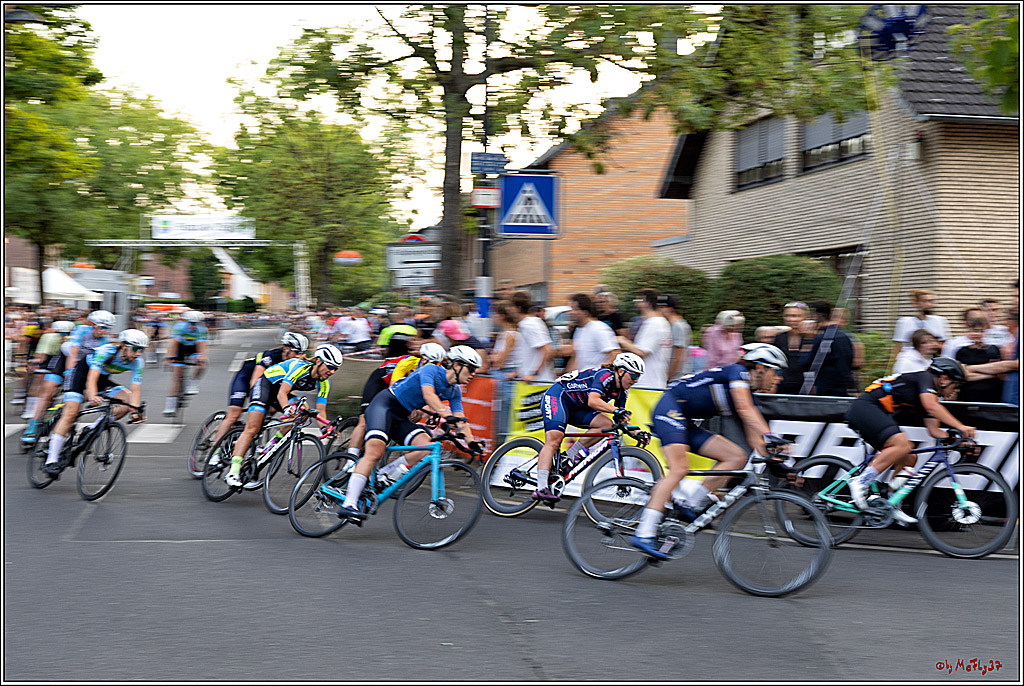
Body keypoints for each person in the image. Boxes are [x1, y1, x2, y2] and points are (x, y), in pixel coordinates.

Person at [631, 343, 789, 559]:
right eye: (777, 371)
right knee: (679, 469)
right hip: (669, 409)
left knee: (736, 457)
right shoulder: (737, 372)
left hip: (686, 421)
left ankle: (691, 504)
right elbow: (744, 410)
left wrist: (780, 463)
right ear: (761, 367)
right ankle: (644, 532)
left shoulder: (749, 394)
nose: (779, 378)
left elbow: (755, 440)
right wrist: (772, 437)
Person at [336, 345, 484, 521]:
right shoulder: (432, 370)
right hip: (384, 406)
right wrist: (446, 414)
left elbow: (461, 420)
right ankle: (349, 504)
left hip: (401, 416)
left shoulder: (454, 391)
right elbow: (428, 395)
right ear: (457, 365)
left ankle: (386, 473)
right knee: (374, 453)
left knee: (427, 446)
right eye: (471, 368)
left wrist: (471, 442)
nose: (473, 374)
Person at [845, 357, 976, 524]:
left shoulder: (929, 396)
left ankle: (891, 505)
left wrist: (958, 440)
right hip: (865, 407)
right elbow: (932, 407)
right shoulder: (924, 378)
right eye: (955, 385)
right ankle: (861, 481)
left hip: (875, 412)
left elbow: (934, 431)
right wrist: (962, 427)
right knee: (901, 444)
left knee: (909, 458)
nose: (956, 391)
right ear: (943, 378)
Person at [217, 343, 343, 488]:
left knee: (304, 412)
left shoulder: (325, 383)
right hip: (266, 385)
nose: (332, 371)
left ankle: (273, 443)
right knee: (252, 428)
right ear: (319, 361)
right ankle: (233, 472)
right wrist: (287, 409)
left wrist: (326, 428)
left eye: (336, 369)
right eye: (330, 367)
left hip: (281, 391)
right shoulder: (300, 367)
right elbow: (282, 393)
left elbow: (321, 411)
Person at [530, 353, 645, 504]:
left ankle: (568, 457)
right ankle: (541, 487)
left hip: (577, 408)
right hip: (558, 397)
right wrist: (615, 410)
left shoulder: (622, 392)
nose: (636, 380)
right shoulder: (605, 375)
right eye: (634, 375)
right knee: (554, 440)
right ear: (621, 371)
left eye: (639, 377)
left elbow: (621, 419)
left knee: (606, 425)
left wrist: (637, 432)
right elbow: (593, 400)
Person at [44, 329, 149, 474]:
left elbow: (135, 389)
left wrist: (135, 411)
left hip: (102, 380)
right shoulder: (106, 351)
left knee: (127, 401)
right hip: (81, 375)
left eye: (142, 350)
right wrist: (92, 395)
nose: (139, 353)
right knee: (71, 414)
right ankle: (51, 460)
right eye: (136, 349)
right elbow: (92, 377)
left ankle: (92, 429)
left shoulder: (138, 362)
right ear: (124, 345)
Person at [206, 331, 311, 451]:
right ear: (286, 348)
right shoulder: (270, 356)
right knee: (234, 413)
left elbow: (288, 388)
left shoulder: (297, 365)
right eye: (296, 352)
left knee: (294, 410)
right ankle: (215, 452)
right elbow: (255, 382)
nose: (299, 356)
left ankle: (268, 441)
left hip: (269, 385)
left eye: (302, 353)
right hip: (246, 379)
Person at [343, 339, 445, 462]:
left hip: (399, 390)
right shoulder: (407, 362)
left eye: (437, 364)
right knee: (364, 420)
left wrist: (429, 414)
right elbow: (393, 388)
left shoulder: (433, 373)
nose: (434, 367)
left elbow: (427, 393)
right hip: (381, 382)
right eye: (431, 363)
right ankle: (350, 460)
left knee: (412, 416)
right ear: (423, 359)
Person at [21, 321, 76, 443]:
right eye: (61, 334)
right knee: (46, 393)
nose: (63, 337)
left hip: (75, 364)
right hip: (58, 363)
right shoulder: (50, 337)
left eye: (67, 334)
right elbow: (42, 356)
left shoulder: (77, 339)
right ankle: (32, 426)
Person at [616, 289, 672, 389]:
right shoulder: (660, 322)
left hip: (647, 383)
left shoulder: (654, 324)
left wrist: (622, 340)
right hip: (653, 382)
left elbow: (641, 351)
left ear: (647, 303)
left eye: (639, 299)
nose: (636, 302)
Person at [799, 301, 855, 396]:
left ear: (817, 316)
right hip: (843, 385)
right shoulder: (844, 336)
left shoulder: (820, 338)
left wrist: (807, 340)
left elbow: (805, 363)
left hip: (824, 387)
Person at [164, 310, 209, 416]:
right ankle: (170, 406)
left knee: (203, 365)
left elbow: (202, 347)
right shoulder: (179, 327)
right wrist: (169, 358)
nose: (192, 326)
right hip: (180, 348)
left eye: (195, 324)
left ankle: (193, 383)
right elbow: (173, 344)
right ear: (186, 321)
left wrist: (201, 359)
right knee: (176, 377)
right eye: (190, 323)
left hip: (194, 349)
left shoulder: (202, 329)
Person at [562, 293, 619, 372]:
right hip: (583, 382)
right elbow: (576, 359)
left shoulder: (599, 329)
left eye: (574, 309)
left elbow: (615, 355)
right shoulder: (579, 330)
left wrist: (601, 376)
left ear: (585, 312)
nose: (570, 312)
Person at [507, 291, 555, 382]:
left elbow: (547, 350)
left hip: (538, 384)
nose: (508, 309)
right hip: (528, 382)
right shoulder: (525, 324)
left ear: (518, 308)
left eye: (510, 306)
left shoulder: (529, 325)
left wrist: (534, 374)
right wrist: (517, 372)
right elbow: (528, 354)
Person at [954, 315, 1003, 403]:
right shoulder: (961, 351)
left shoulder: (993, 350)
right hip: (968, 393)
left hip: (991, 393)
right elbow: (964, 375)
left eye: (981, 331)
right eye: (974, 331)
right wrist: (989, 374)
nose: (977, 334)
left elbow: (997, 372)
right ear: (968, 332)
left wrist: (972, 370)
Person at [892, 289, 951, 360]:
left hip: (932, 360)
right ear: (916, 303)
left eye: (931, 301)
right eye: (924, 301)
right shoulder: (904, 322)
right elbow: (898, 347)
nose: (928, 304)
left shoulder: (940, 321)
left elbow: (945, 347)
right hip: (908, 360)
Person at [772, 302, 815, 394]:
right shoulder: (780, 338)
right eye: (787, 316)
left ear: (806, 317)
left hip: (808, 385)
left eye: (796, 316)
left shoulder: (814, 338)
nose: (791, 319)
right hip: (784, 384)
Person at [659, 294, 692, 381]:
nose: (659, 310)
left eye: (662, 307)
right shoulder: (669, 325)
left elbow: (678, 357)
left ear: (671, 308)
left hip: (677, 377)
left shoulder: (678, 326)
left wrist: (668, 378)